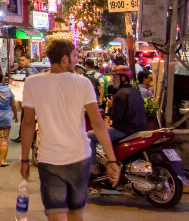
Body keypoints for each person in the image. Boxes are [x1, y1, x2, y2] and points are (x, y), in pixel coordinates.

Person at [20, 40, 120, 221]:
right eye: (75, 56)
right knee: (75, 214)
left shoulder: (32, 83)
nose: (76, 60)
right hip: (79, 158)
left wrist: (25, 159)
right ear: (65, 59)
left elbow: (27, 124)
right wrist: (112, 160)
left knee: (56, 214)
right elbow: (98, 123)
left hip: (50, 160)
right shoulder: (83, 83)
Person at [88, 65, 147, 167]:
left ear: (123, 78)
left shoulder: (121, 93)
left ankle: (92, 169)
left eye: (115, 77)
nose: (113, 80)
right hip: (136, 129)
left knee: (89, 136)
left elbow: (116, 117)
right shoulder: (135, 92)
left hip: (123, 131)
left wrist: (110, 108)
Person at [10, 55, 40, 142]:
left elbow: (31, 82)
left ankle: (23, 136)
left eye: (23, 60)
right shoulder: (32, 68)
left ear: (28, 60)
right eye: (20, 60)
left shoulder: (29, 69)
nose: (21, 62)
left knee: (25, 118)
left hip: (31, 98)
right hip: (35, 97)